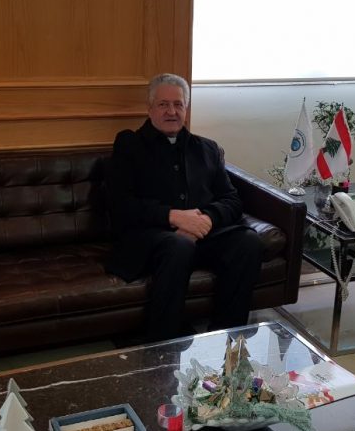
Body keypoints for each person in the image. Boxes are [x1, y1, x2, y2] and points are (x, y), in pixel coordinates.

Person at [105, 73, 262, 342]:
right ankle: (162, 345)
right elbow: (121, 205)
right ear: (150, 108)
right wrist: (174, 217)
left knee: (248, 242)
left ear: (186, 109)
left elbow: (232, 200)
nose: (172, 111)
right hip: (149, 239)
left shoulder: (207, 149)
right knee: (179, 246)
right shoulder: (129, 145)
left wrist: (206, 219)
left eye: (178, 104)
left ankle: (226, 339)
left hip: (202, 236)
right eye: (163, 104)